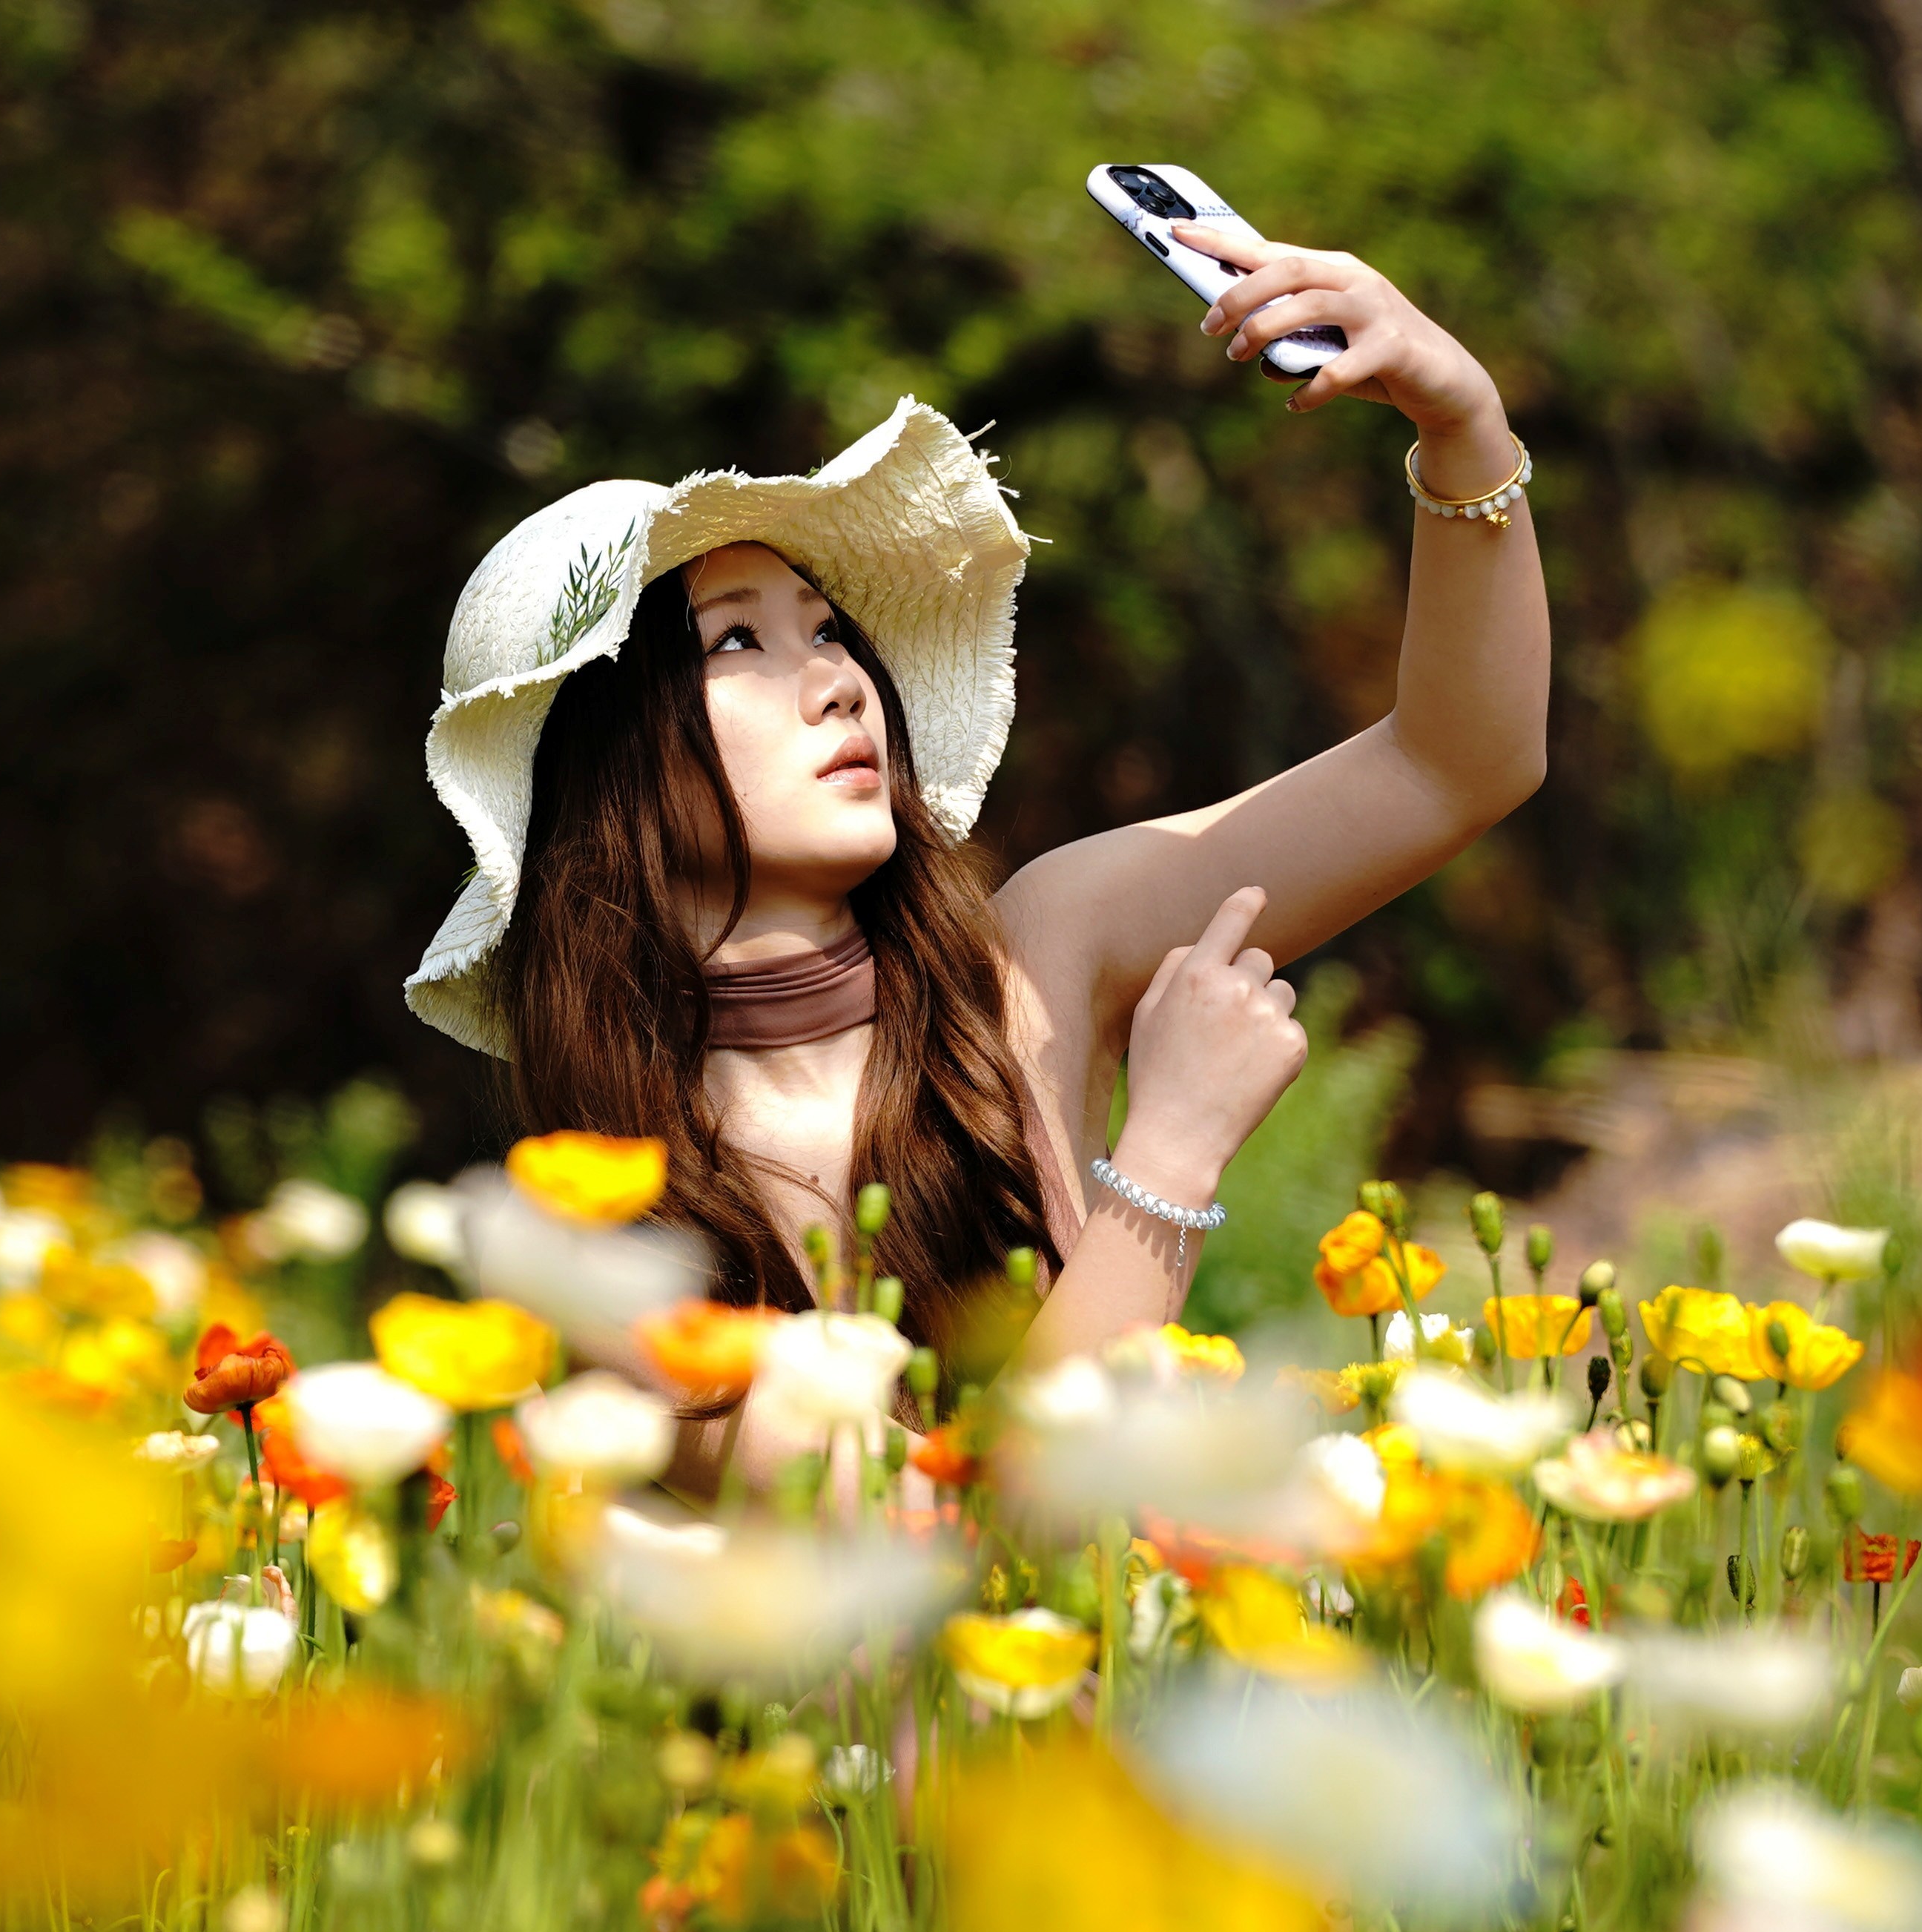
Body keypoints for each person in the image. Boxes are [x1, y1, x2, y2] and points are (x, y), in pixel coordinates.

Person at [407, 226, 1547, 1495]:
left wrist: (1466, 431)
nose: (838, 682)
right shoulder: (623, 1248)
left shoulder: (1040, 959)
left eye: (829, 629)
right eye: (738, 644)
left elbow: (1455, 764)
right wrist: (1163, 1162)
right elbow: (966, 1554)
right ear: (602, 765)